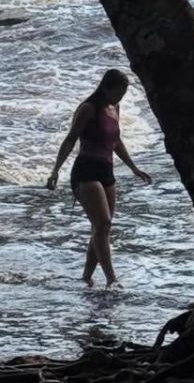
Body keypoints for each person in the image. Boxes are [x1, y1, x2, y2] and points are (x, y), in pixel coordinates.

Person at [46, 68, 152, 287]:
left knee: (102, 228)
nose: (120, 97)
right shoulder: (88, 108)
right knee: (102, 223)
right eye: (117, 92)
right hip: (86, 170)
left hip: (107, 171)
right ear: (105, 88)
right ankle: (112, 279)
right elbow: (70, 139)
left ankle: (86, 277)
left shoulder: (115, 108)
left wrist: (133, 168)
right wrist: (55, 170)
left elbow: (116, 141)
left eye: (123, 94)